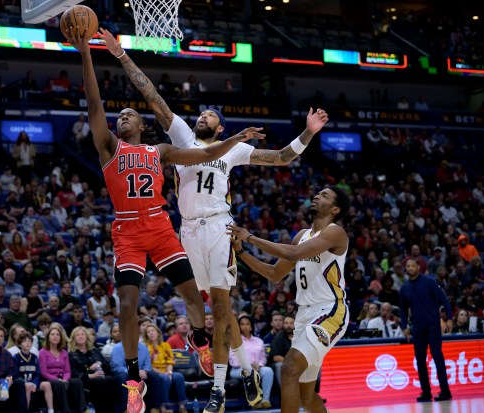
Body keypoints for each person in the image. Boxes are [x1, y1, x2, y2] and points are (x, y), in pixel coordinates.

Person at [98, 28, 329, 413]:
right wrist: (121, 56)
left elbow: (282, 158)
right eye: (202, 112)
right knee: (207, 310)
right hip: (186, 231)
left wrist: (307, 132)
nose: (202, 115)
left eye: (210, 114)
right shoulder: (182, 137)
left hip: (219, 226)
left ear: (220, 128)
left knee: (222, 306)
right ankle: (246, 368)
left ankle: (220, 389)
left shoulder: (233, 149)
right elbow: (151, 97)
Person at [66, 29, 264, 413]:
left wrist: (235, 139)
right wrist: (86, 54)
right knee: (126, 305)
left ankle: (202, 341)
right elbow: (93, 103)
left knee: (195, 303)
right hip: (127, 230)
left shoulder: (162, 151)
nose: (121, 117)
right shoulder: (109, 147)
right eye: (119, 116)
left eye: (128, 115)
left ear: (141, 125)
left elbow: (205, 156)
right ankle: (133, 380)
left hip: (159, 227)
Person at [227, 186, 351, 413]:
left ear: (335, 209)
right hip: (304, 315)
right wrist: (242, 252)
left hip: (330, 311)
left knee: (289, 366)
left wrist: (251, 237)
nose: (316, 196)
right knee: (306, 396)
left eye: (324, 195)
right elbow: (274, 274)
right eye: (317, 193)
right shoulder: (301, 236)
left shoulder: (336, 233)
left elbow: (292, 254)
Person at [400, 259, 453, 402]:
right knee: (420, 360)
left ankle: (445, 391)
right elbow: (403, 310)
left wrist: (449, 319)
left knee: (437, 356)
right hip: (417, 327)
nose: (410, 268)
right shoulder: (404, 288)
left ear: (418, 267)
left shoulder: (429, 282)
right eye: (408, 266)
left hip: (432, 325)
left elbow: (444, 300)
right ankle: (426, 392)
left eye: (412, 266)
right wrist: (404, 326)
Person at [69, 326, 121, 413]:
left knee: (111, 380)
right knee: (99, 382)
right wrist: (90, 372)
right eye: (77, 335)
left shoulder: (95, 351)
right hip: (85, 380)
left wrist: (101, 364)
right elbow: (75, 373)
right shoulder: (72, 355)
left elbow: (107, 366)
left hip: (100, 376)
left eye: (82, 334)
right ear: (74, 339)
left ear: (87, 336)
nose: (81, 336)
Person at [38, 323, 86, 413]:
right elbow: (44, 372)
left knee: (77, 382)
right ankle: (66, 411)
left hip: (63, 379)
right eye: (53, 334)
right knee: (59, 384)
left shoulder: (64, 352)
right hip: (50, 379)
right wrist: (59, 380)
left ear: (60, 338)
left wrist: (65, 379)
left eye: (57, 335)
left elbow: (67, 371)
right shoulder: (42, 352)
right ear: (48, 337)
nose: (55, 336)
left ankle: (81, 410)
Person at [143, 323, 188, 413]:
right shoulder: (145, 347)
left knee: (179, 376)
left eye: (153, 331)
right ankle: (163, 407)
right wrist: (163, 373)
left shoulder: (165, 345)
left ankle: (182, 406)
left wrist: (169, 372)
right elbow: (147, 365)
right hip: (153, 372)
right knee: (165, 378)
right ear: (146, 335)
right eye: (148, 332)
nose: (151, 333)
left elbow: (170, 360)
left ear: (158, 333)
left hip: (166, 371)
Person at [14, 331, 54, 413]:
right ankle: (26, 410)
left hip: (34, 383)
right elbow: (16, 374)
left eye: (29, 341)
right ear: (19, 344)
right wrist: (25, 383)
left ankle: (51, 410)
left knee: (47, 384)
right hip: (23, 384)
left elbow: (38, 373)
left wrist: (35, 384)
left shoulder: (35, 357)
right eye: (25, 341)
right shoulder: (16, 357)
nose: (27, 343)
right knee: (28, 386)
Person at [269, 314, 295, 390]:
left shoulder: (299, 337)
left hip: (297, 363)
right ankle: (285, 393)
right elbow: (276, 357)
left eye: (291, 323)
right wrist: (290, 363)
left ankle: (311, 394)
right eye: (286, 323)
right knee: (280, 365)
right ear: (283, 325)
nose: (289, 325)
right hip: (282, 363)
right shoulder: (278, 338)